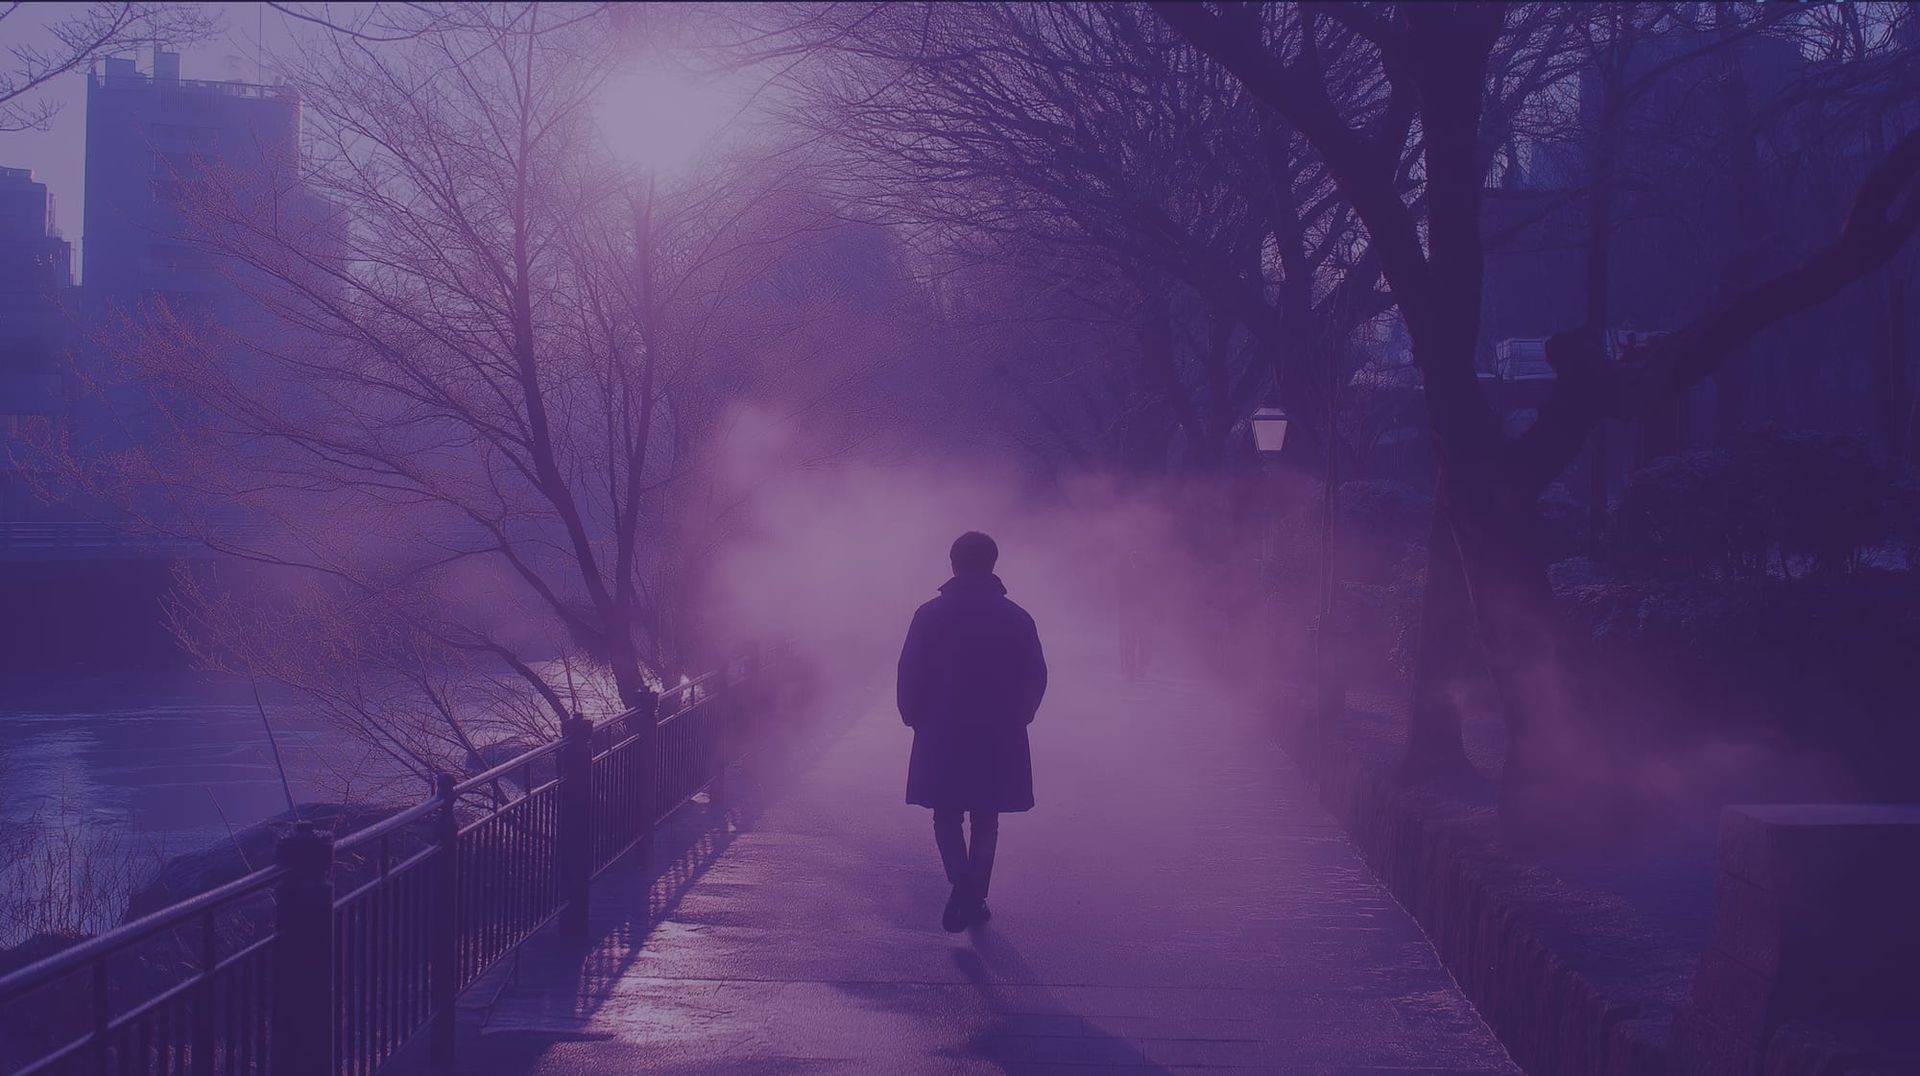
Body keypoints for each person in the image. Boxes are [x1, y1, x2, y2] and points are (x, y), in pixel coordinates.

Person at [896, 531, 1048, 932]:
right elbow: (1036, 675)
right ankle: (973, 893)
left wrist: (913, 716)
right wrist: (1022, 714)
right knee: (986, 815)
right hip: (998, 731)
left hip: (941, 730)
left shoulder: (928, 615)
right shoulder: (1017, 617)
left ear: (954, 564)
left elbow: (910, 672)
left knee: (945, 813)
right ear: (993, 564)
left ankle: (962, 886)